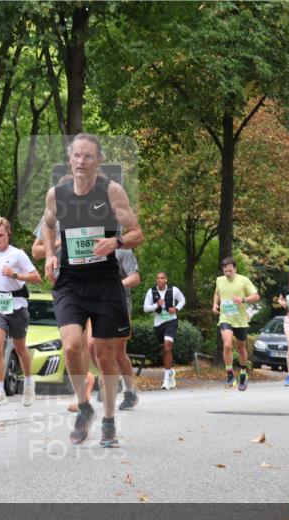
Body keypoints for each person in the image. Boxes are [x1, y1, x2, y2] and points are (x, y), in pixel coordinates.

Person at [42, 134, 143, 447]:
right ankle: (84, 407)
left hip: (104, 283)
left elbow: (136, 233)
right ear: (70, 159)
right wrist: (48, 254)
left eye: (88, 157)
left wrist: (117, 242)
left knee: (104, 354)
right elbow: (47, 225)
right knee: (71, 345)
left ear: (98, 161)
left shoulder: (111, 191)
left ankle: (110, 422)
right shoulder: (57, 194)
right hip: (71, 282)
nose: (81, 162)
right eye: (77, 156)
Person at [0, 217, 41, 406]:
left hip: (17, 304)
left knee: (20, 348)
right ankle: (0, 391)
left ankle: (29, 386)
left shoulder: (18, 255)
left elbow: (36, 278)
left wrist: (15, 274)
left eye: (1, 235)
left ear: (8, 234)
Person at [212, 257, 259, 391]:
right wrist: (215, 304)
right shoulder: (220, 280)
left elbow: (256, 296)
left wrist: (243, 299)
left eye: (230, 271)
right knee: (227, 344)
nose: (228, 273)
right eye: (225, 271)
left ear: (235, 269)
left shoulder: (243, 280)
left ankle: (243, 373)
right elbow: (217, 293)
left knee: (241, 349)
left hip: (240, 320)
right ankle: (230, 374)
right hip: (225, 318)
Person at [143, 272, 186, 390]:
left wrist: (176, 309)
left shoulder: (174, 290)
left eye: (162, 278)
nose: (159, 280)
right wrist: (156, 305)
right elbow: (146, 308)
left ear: (166, 280)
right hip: (158, 324)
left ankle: (166, 380)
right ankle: (170, 372)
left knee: (167, 347)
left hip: (171, 321)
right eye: (157, 278)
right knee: (165, 350)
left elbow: (182, 300)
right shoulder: (151, 292)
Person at [115, 248, 141, 409]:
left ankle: (130, 391)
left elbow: (135, 277)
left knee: (118, 352)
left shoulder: (123, 250)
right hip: (94, 303)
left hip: (119, 304)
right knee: (92, 346)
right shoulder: (87, 247)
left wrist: (114, 286)